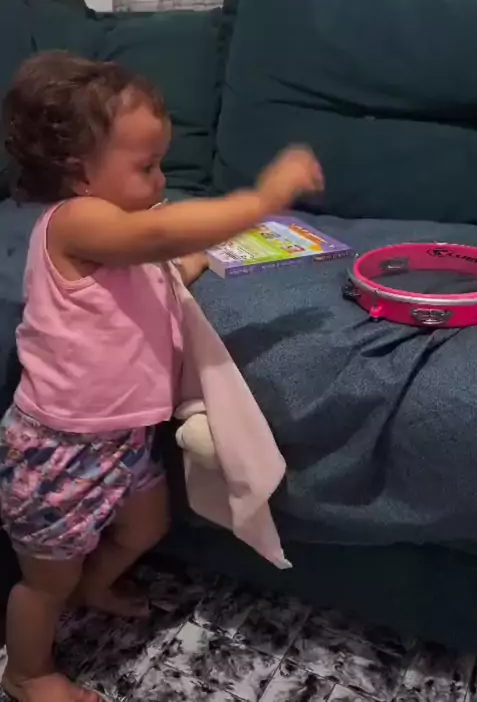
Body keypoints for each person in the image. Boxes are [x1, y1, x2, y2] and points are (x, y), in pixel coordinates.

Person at [0, 51, 324, 702]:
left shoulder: (122, 233)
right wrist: (262, 199)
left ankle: (95, 585)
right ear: (78, 173)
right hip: (59, 447)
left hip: (122, 441)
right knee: (45, 581)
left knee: (146, 526)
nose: (160, 180)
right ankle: (27, 671)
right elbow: (159, 238)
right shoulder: (75, 222)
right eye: (145, 166)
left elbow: (159, 266)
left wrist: (190, 263)